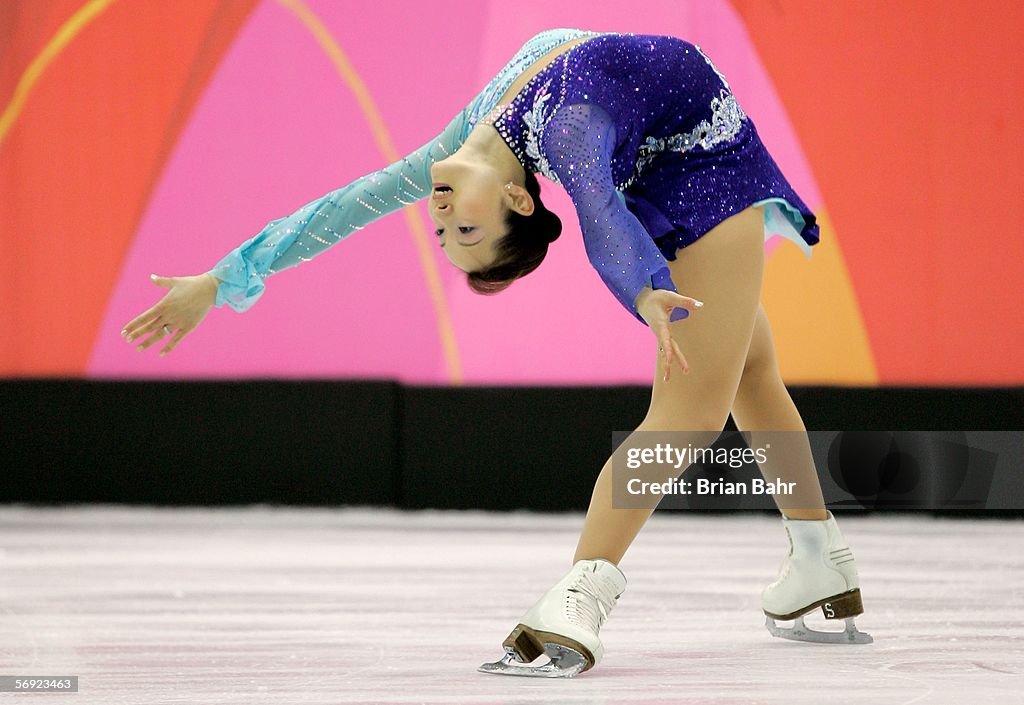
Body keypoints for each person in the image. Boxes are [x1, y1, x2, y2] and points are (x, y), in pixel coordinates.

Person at [121, 28, 871, 677]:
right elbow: (583, 208)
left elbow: (592, 207)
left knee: (690, 407)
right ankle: (819, 555)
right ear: (519, 199)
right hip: (671, 153)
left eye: (455, 236)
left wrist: (646, 287)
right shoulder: (532, 139)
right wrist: (222, 280)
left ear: (513, 199)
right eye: (455, 236)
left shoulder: (516, 137)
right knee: (746, 371)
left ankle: (582, 593)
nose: (441, 222)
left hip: (695, 150)